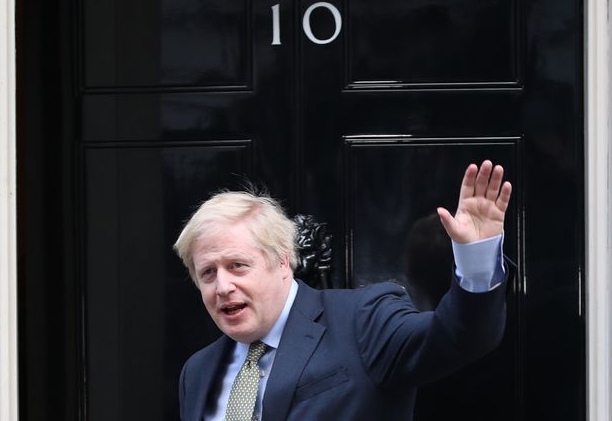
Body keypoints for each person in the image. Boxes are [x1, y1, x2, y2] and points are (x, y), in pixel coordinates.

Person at [174, 160, 512, 421]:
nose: (222, 286)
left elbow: (457, 338)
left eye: (237, 266)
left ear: (282, 262)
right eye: (207, 273)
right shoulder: (198, 371)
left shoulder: (363, 321)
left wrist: (477, 260)